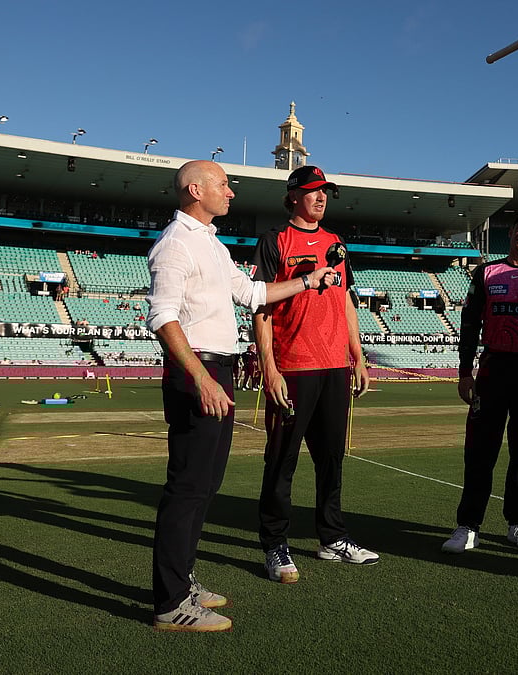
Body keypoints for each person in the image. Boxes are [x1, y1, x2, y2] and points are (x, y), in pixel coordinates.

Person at [146, 160, 335, 632]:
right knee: (186, 489)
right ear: (195, 189)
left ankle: (183, 581)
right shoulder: (175, 245)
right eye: (224, 185)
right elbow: (162, 318)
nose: (231, 193)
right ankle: (171, 604)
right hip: (199, 373)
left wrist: (309, 282)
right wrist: (202, 379)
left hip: (219, 371)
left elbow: (252, 294)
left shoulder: (209, 242)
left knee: (205, 487)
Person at [252, 165, 376, 584]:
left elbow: (345, 302)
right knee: (282, 461)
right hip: (293, 367)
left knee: (331, 459)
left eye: (325, 192)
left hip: (334, 367)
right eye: (312, 191)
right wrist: (269, 366)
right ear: (293, 197)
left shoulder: (336, 242)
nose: (321, 198)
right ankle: (274, 544)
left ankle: (333, 537)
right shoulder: (274, 241)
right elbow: (261, 307)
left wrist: (357, 356)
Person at [441, 210, 518, 554]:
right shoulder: (486, 272)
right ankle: (468, 526)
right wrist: (465, 372)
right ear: (510, 233)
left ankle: (517, 523)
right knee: (480, 451)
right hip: (493, 369)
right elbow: (469, 324)